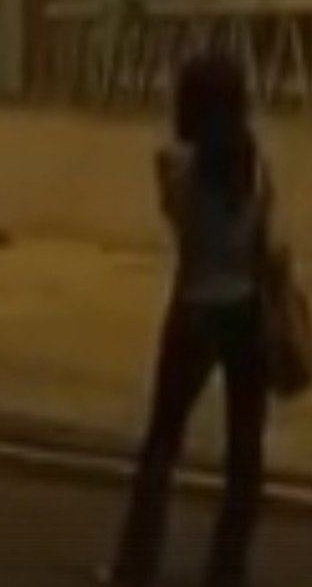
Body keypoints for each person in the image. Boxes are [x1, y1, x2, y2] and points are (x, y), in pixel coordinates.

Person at [100, 49, 278, 587]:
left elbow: (177, 218)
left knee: (162, 445)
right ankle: (228, 569)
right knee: (245, 452)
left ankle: (136, 566)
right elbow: (264, 239)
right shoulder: (257, 166)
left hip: (195, 309)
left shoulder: (174, 164)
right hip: (247, 311)